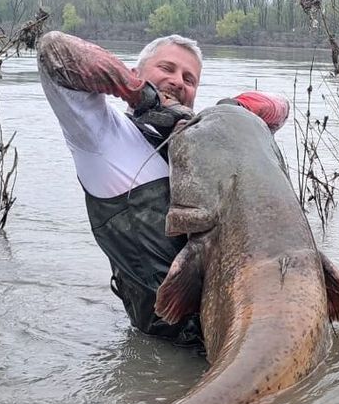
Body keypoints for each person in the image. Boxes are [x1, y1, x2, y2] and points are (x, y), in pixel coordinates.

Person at [37, 31, 290, 347]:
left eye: (190, 78)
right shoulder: (102, 138)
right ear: (137, 72)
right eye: (166, 68)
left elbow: (280, 108)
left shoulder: (207, 142)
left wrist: (232, 109)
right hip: (168, 346)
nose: (179, 81)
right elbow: (54, 50)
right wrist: (141, 96)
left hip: (236, 329)